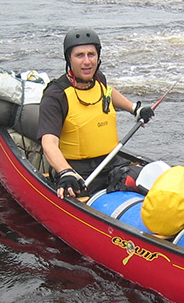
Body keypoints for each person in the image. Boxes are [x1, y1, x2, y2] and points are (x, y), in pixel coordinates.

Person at [37, 29, 154, 198]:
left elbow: (108, 93)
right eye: (79, 55)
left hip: (110, 162)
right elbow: (49, 143)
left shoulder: (99, 79)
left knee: (146, 181)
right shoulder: (56, 95)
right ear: (69, 59)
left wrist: (135, 109)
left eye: (91, 54)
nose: (87, 62)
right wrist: (65, 172)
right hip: (77, 171)